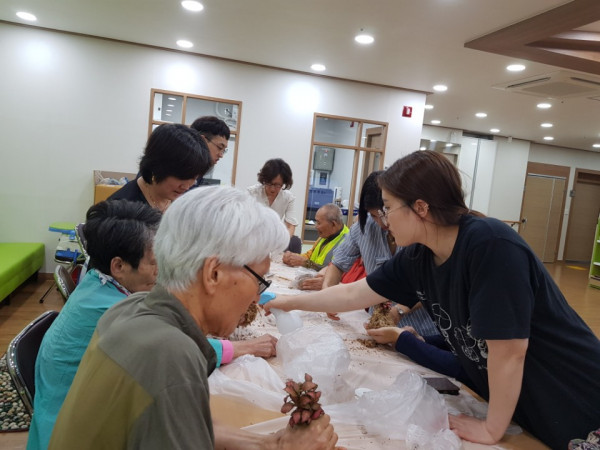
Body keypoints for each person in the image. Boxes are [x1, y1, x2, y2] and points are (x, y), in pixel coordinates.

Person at [265, 150, 600, 449]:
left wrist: (491, 428)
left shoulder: (490, 245)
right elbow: (354, 293)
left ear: (421, 208)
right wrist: (286, 301)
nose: (385, 220)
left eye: (389, 208)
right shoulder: (419, 257)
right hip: (521, 403)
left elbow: (509, 350)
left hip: (574, 394)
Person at [48, 186, 339, 450]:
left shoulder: (132, 308)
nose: (255, 298)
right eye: (259, 281)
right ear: (213, 273)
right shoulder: (170, 354)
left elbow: (186, 420)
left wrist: (268, 444)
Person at [28, 200, 162, 450]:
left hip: (63, 418)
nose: (161, 269)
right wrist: (236, 348)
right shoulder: (112, 311)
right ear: (118, 266)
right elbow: (173, 346)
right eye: (155, 261)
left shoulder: (95, 280)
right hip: (68, 437)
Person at [322, 171, 439, 338]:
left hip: (423, 331)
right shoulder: (363, 229)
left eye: (385, 213)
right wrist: (327, 293)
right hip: (378, 328)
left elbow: (432, 284)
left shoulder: (419, 231)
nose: (382, 222)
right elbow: (338, 263)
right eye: (373, 216)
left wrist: (399, 310)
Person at [108, 123, 211, 212]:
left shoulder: (172, 199)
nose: (186, 187)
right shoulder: (120, 210)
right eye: (182, 177)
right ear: (157, 166)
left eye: (194, 178)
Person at [247, 158, 301, 253]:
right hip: (253, 238)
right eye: (269, 183)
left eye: (277, 185)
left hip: (274, 239)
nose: (272, 189)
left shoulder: (288, 198)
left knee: (295, 242)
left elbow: (290, 226)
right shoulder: (252, 193)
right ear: (264, 180)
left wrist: (282, 242)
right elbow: (245, 223)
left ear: (284, 183)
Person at [282, 203, 349, 275]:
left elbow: (334, 272)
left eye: (319, 223)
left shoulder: (347, 243)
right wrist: (292, 257)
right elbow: (310, 255)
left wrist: (306, 263)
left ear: (333, 224)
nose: (316, 226)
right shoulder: (326, 234)